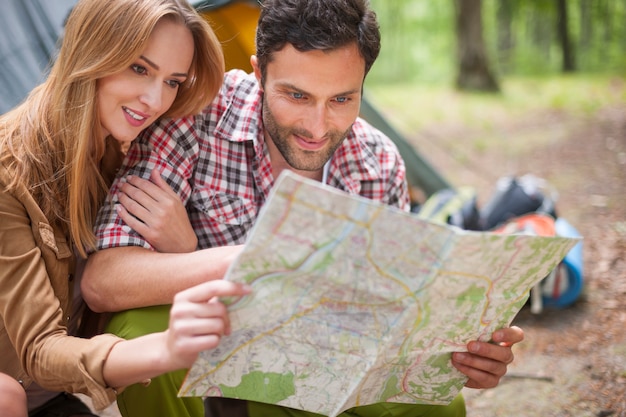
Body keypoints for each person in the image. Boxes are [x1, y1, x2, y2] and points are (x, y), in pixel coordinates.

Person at [82, 0, 524, 416]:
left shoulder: (377, 163)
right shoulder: (195, 116)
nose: (318, 127)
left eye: (341, 99)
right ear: (257, 73)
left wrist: (461, 357)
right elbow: (104, 281)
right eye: (296, 96)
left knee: (438, 404)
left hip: (318, 363)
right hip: (211, 359)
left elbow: (391, 319)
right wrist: (258, 259)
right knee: (139, 329)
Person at [0, 0, 251, 415]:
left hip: (51, 397)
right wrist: (165, 349)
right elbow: (40, 351)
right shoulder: (10, 170)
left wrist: (183, 248)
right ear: (91, 53)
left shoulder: (134, 152)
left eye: (173, 81)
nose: (154, 100)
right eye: (139, 68)